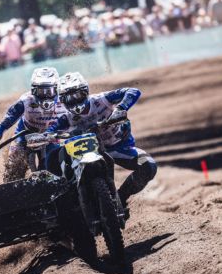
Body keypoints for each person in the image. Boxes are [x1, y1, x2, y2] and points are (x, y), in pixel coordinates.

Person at [46, 72, 157, 210]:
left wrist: (121, 108)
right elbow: (50, 130)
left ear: (85, 91)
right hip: (85, 152)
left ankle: (122, 197)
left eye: (78, 95)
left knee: (148, 165)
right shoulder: (65, 117)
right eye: (68, 97)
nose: (74, 100)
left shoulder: (102, 100)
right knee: (61, 168)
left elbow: (133, 91)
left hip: (117, 147)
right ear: (62, 100)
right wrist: (46, 136)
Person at [0, 67, 67, 182]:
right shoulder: (25, 101)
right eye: (41, 91)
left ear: (57, 89)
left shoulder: (64, 101)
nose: (45, 96)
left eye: (49, 91)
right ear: (33, 90)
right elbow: (3, 124)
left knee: (54, 165)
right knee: (14, 168)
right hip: (24, 136)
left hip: (50, 137)